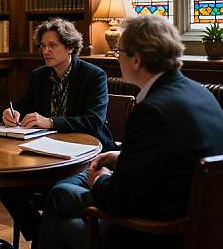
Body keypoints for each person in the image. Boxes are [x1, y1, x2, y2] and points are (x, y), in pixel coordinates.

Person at [37, 15, 223, 249]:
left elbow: (118, 200)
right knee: (61, 194)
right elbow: (172, 157)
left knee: (57, 207)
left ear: (137, 59)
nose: (117, 58)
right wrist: (122, 157)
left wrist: (100, 178)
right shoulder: (200, 93)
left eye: (120, 52)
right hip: (199, 223)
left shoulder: (151, 110)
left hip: (152, 231)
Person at [0, 18, 115, 242]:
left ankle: (45, 238)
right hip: (45, 153)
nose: (46, 51)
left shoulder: (93, 76)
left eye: (52, 45)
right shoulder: (40, 75)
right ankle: (41, 235)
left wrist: (50, 122)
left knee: (56, 189)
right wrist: (12, 113)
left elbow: (93, 121)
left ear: (70, 47)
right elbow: (24, 106)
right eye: (43, 46)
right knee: (8, 189)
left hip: (86, 155)